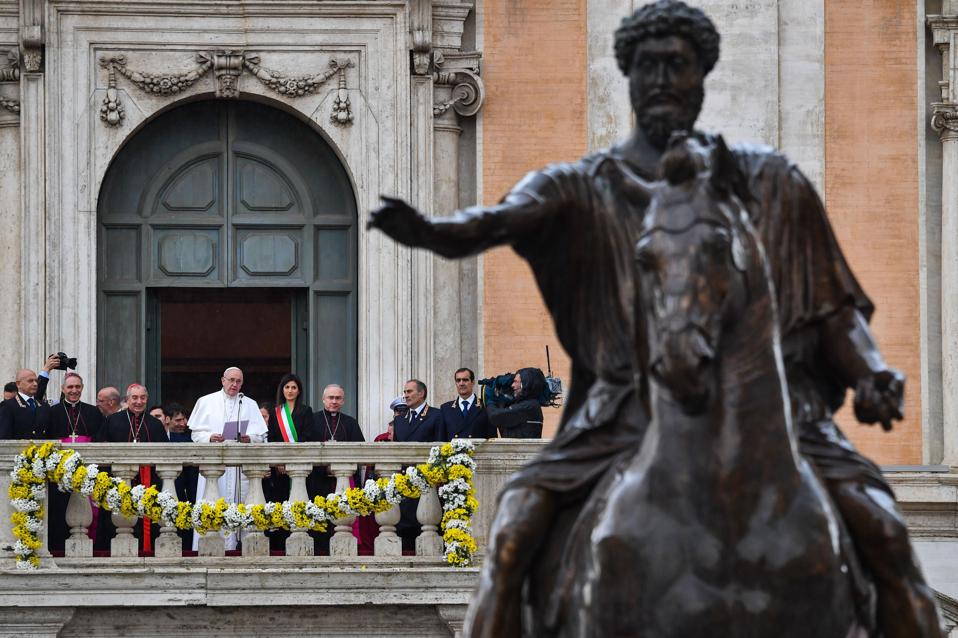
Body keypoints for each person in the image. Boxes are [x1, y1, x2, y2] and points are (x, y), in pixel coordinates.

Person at [369, 2, 940, 636]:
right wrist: (429, 231)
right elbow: (499, 219)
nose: (663, 78)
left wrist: (872, 370)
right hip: (621, 413)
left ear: (703, 76)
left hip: (779, 420)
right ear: (629, 77)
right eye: (648, 65)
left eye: (678, 65)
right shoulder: (584, 185)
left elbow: (831, 306)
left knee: (886, 536)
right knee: (510, 538)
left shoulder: (774, 182)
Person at [189, 366, 268, 551]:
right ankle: (209, 546)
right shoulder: (206, 401)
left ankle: (242, 548)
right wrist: (210, 438)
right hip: (215, 466)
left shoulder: (249, 404)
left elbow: (260, 436)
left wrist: (250, 438)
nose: (234, 384)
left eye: (238, 381)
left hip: (241, 468)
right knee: (213, 504)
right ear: (222, 380)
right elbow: (195, 434)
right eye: (231, 380)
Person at [97, 384, 168, 555]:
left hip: (148, 483)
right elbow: (101, 449)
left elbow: (165, 453)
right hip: (118, 482)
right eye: (134, 398)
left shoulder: (155, 424)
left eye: (142, 398)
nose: (138, 402)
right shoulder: (113, 420)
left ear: (147, 399)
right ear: (127, 400)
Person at [45, 371, 105, 554]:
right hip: (59, 472)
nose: (74, 390)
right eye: (70, 387)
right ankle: (58, 548)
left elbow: (101, 439)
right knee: (59, 509)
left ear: (82, 388)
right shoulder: (52, 412)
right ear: (63, 389)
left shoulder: (93, 412)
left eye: (77, 387)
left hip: (86, 470)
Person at [307, 383, 364, 554]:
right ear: (323, 399)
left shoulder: (350, 422)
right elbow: (306, 448)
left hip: (343, 480)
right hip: (318, 479)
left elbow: (359, 450)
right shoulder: (313, 420)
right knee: (319, 518)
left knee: (342, 518)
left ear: (343, 401)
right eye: (330, 398)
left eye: (338, 398)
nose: (334, 401)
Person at [264, 374, 313, 552]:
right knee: (280, 504)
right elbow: (272, 439)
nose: (290, 391)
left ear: (299, 390)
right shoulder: (276, 412)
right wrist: (278, 462)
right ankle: (279, 546)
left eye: (293, 387)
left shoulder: (306, 411)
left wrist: (292, 460)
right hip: (280, 470)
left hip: (299, 467)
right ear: (282, 390)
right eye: (287, 387)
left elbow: (308, 437)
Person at [0, 355, 59, 439]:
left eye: (36, 380)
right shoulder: (8, 406)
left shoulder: (44, 406)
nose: (35, 384)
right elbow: (4, 438)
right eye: (30, 381)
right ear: (18, 384)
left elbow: (51, 436)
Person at [164, 402, 196, 552]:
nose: (183, 423)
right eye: (178, 420)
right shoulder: (161, 437)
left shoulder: (191, 438)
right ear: (167, 420)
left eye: (185, 419)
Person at [485, 368, 546, 439]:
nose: (512, 385)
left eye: (515, 381)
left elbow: (495, 416)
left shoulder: (529, 406)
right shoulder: (529, 404)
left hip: (523, 450)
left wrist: (490, 401)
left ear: (526, 384)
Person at [439, 367, 493, 440]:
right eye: (458, 380)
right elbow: (441, 439)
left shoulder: (485, 406)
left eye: (465, 380)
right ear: (456, 383)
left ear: (473, 382)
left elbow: (492, 438)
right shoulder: (445, 409)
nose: (461, 383)